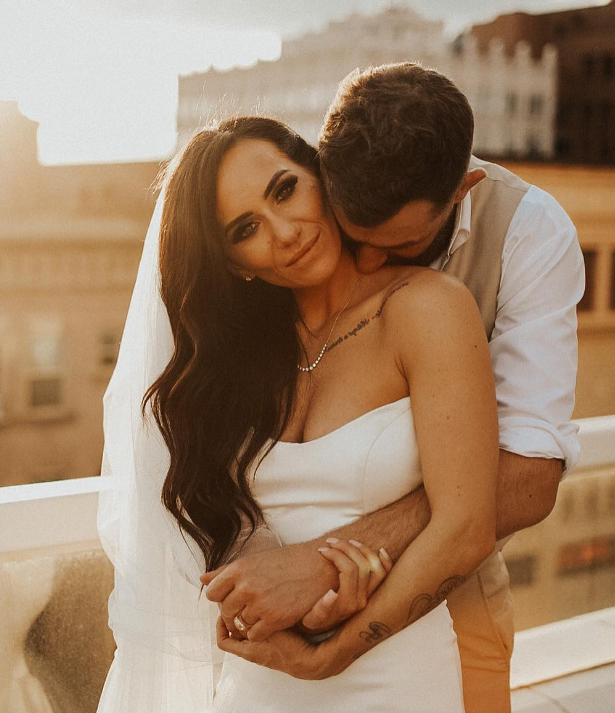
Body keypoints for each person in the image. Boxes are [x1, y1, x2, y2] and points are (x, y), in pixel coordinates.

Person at [199, 63, 584, 713]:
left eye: (404, 244)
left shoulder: (527, 232)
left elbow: (528, 476)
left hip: (453, 606)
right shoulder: (291, 216)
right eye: (355, 238)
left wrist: (331, 558)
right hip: (266, 629)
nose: (369, 266)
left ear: (462, 189)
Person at [97, 114, 499, 712]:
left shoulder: (427, 307)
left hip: (396, 682)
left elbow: (466, 527)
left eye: (284, 189)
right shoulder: (228, 366)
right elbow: (203, 520)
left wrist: (335, 647)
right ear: (235, 262)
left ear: (319, 174)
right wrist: (287, 606)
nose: (284, 232)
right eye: (245, 228)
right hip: (259, 680)